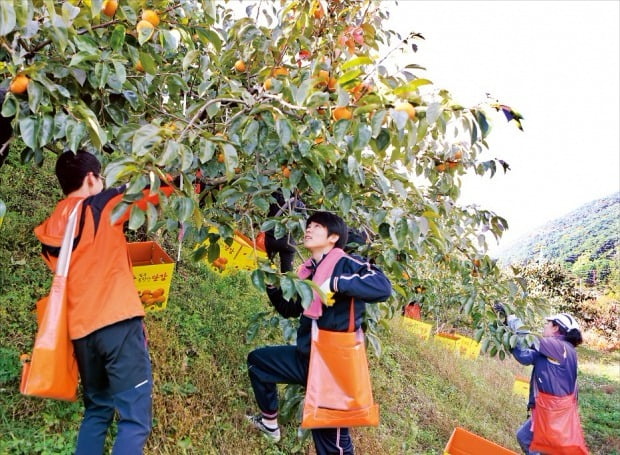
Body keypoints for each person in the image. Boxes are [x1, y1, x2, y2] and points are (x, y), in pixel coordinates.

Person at [34, 150, 171, 454]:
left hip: (81, 335)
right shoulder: (102, 206)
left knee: (97, 411)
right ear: (91, 178)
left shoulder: (52, 226)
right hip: (116, 323)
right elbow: (158, 187)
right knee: (135, 420)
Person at [246, 211, 392, 454]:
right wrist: (272, 285)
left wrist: (336, 283)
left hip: (333, 366)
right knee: (259, 363)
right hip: (308, 357)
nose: (309, 229)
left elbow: (382, 287)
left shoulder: (346, 263)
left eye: (316, 226)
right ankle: (270, 425)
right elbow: (290, 309)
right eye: (308, 225)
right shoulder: (309, 271)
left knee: (331, 441)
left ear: (333, 237)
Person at [503, 309, 587, 455]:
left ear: (556, 328)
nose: (544, 326)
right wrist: (507, 333)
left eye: (548, 324)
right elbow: (525, 356)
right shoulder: (551, 350)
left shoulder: (560, 347)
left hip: (555, 411)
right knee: (524, 437)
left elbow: (529, 339)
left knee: (537, 446)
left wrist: (511, 317)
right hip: (550, 408)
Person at [263, 189, 305, 272]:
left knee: (266, 264)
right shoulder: (300, 204)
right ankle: (284, 283)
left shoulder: (274, 197)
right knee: (287, 273)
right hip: (288, 241)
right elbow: (303, 222)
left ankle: (269, 282)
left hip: (271, 237)